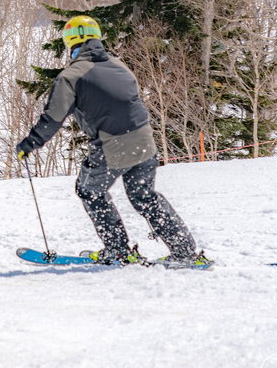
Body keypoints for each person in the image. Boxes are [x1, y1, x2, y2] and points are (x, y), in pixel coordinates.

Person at [16, 15, 207, 267]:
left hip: (112, 146)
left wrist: (29, 144)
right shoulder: (119, 65)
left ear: (69, 42)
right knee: (144, 196)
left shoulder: (71, 76)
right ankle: (184, 252)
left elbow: (53, 117)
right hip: (144, 140)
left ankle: (118, 250)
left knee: (89, 191)